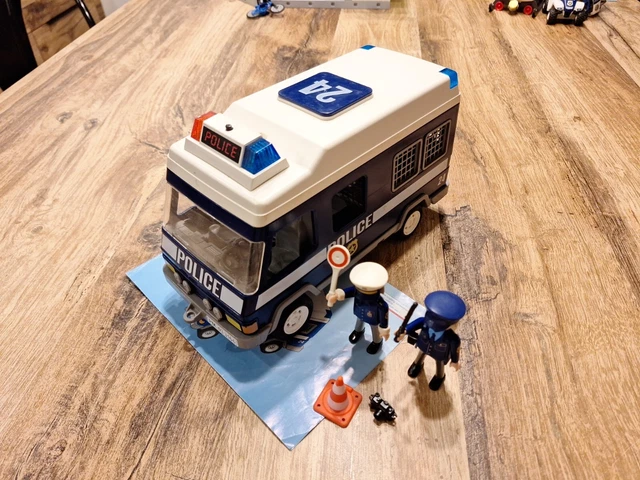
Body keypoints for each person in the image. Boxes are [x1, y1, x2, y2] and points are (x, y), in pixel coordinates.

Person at [397, 291, 465, 391]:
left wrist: (455, 361)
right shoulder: (425, 322)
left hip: (439, 353)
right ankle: (417, 365)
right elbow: (415, 324)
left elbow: (455, 348)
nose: (431, 322)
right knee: (420, 355)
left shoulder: (451, 337)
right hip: (424, 345)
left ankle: (439, 377)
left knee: (439, 365)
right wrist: (405, 331)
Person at [326, 262, 390, 354]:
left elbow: (384, 313)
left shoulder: (380, 304)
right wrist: (336, 295)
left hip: (373, 318)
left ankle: (377, 342)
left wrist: (383, 328)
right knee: (359, 322)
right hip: (359, 311)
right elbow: (346, 292)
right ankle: (358, 331)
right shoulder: (357, 290)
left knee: (375, 330)